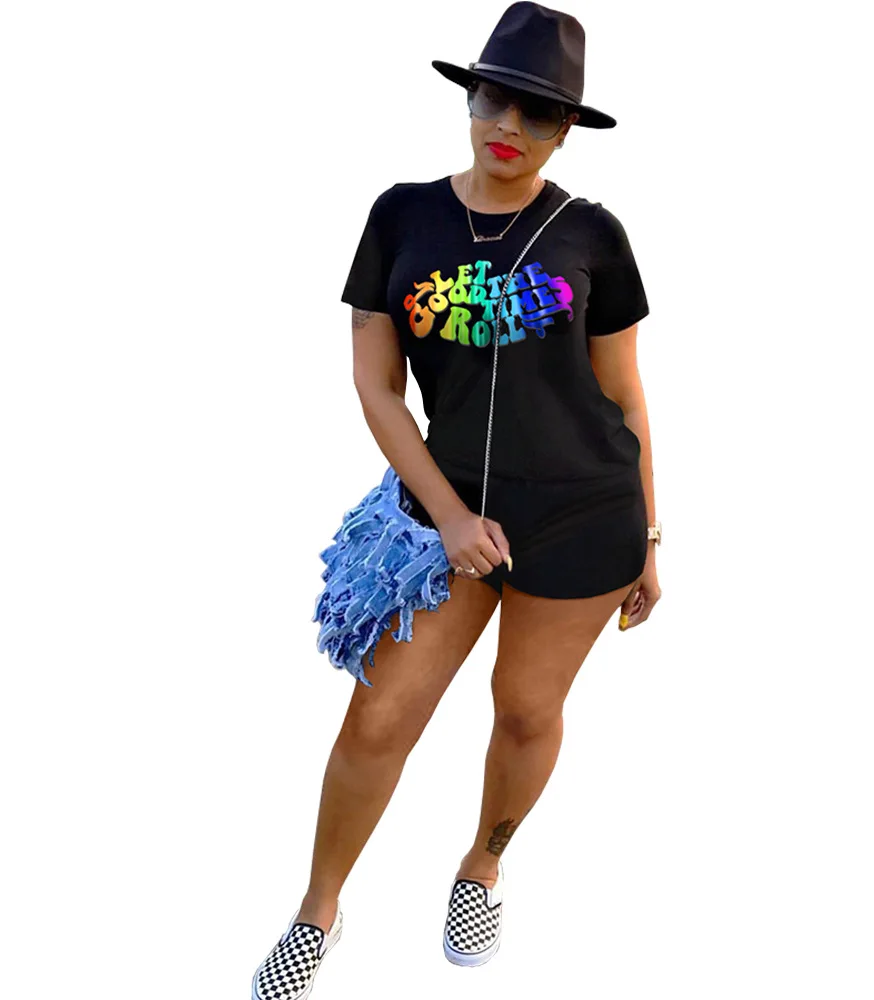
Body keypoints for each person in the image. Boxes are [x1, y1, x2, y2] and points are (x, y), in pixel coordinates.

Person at [251, 3, 662, 997]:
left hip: (585, 513)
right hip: (449, 513)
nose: (508, 126)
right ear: (469, 100)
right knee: (378, 720)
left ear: (565, 131)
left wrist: (649, 534)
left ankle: (482, 865)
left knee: (524, 711)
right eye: (493, 100)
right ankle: (317, 908)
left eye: (537, 113)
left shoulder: (593, 235)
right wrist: (445, 516)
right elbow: (376, 386)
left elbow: (624, 394)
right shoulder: (401, 215)